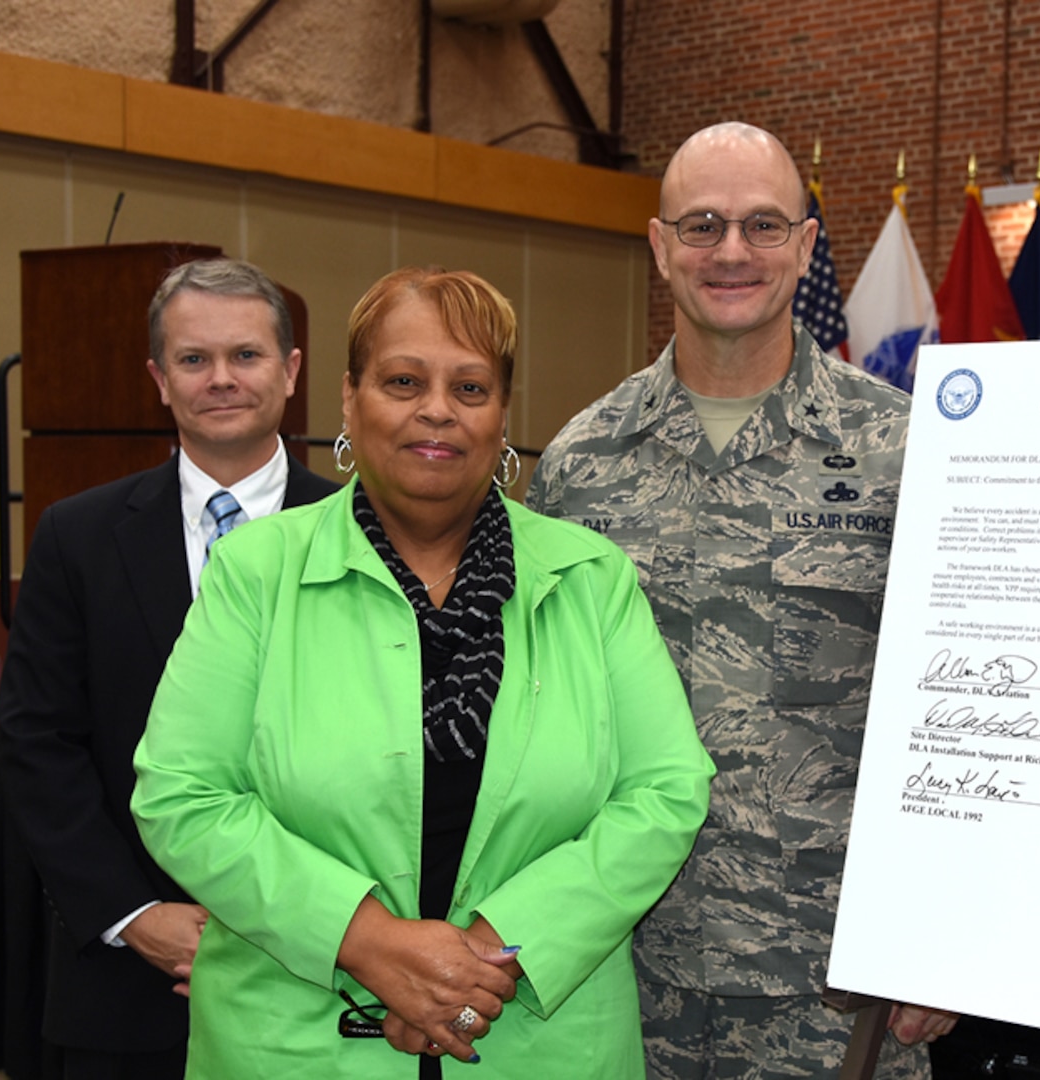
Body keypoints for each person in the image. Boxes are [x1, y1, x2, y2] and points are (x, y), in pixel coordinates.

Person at [129, 266, 715, 1079]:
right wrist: (366, 942)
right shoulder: (256, 573)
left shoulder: (592, 577)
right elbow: (181, 794)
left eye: (469, 386)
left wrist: (485, 961)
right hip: (290, 1045)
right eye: (403, 381)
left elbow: (665, 792)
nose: (436, 409)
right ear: (349, 398)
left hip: (541, 1042)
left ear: (502, 414)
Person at [526, 122, 958, 1078]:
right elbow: (538, 712)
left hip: (838, 982)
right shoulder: (580, 464)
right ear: (658, 244)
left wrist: (947, 934)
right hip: (621, 967)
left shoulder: (906, 450)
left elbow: (961, 713)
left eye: (764, 225)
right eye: (703, 224)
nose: (731, 252)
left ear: (805, 246)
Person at [0, 257, 340, 1079]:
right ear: (159, 379)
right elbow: (38, 741)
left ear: (292, 371)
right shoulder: (75, 537)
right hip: (129, 980)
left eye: (246, 356)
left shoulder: (360, 534)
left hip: (322, 972)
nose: (220, 378)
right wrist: (132, 913)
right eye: (193, 359)